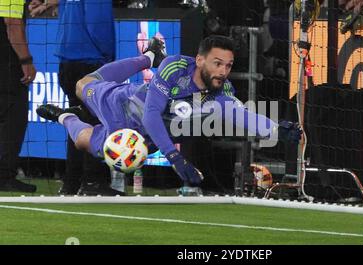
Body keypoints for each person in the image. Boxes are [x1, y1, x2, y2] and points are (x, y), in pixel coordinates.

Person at [36, 35, 301, 195]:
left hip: (145, 139)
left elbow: (241, 115)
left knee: (85, 142)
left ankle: (63, 116)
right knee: (82, 84)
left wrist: (275, 130)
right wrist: (175, 158)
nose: (223, 71)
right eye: (217, 63)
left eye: (228, 66)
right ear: (199, 60)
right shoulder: (175, 66)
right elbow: (151, 114)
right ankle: (148, 58)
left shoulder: (222, 91)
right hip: (124, 107)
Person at [29, 0, 119, 196]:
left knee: (77, 123)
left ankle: (71, 182)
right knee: (97, 122)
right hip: (90, 61)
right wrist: (110, 59)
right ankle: (94, 182)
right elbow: (97, 24)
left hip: (67, 62)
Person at [0, 0, 37, 192]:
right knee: (14, 116)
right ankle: (4, 175)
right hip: (6, 61)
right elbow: (12, 24)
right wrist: (26, 60)